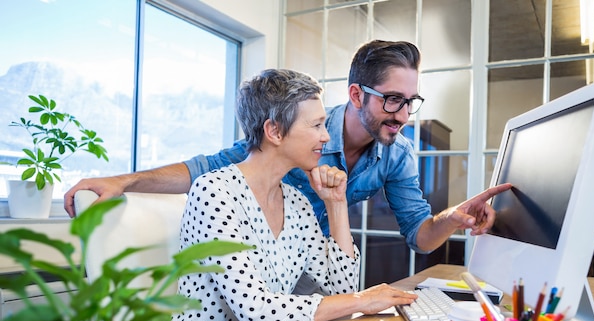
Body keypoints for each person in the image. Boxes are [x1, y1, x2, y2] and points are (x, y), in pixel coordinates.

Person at [64, 39, 511, 255]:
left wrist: (451, 219)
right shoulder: (293, 131)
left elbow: (419, 235)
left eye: (410, 101)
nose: (404, 115)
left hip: (315, 265)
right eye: (392, 100)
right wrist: (125, 180)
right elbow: (205, 168)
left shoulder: (397, 155)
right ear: (357, 95)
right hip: (265, 271)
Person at [171, 68, 416, 321]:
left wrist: (337, 204)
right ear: (274, 131)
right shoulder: (215, 192)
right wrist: (363, 301)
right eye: (316, 126)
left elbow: (342, 290)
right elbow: (256, 311)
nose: (326, 137)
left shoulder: (296, 200)